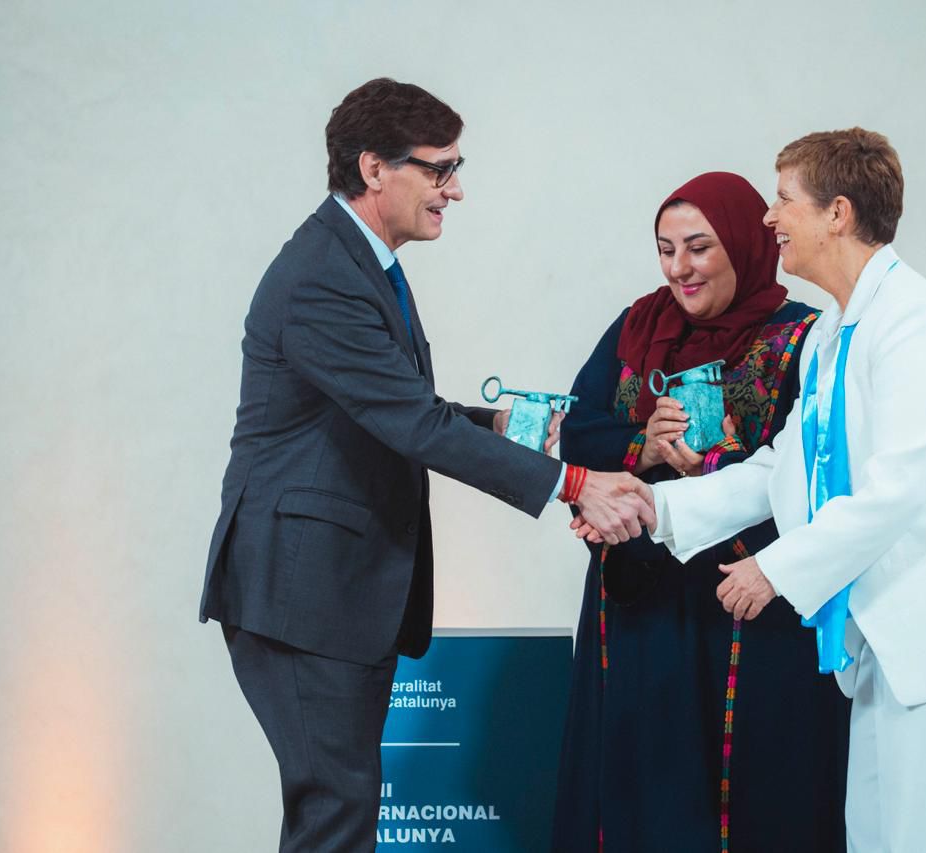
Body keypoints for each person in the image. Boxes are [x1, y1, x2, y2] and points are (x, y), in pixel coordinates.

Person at [198, 78, 653, 853]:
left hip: (330, 592)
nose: (455, 189)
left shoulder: (359, 260)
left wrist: (495, 423)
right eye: (439, 169)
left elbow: (390, 407)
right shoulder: (322, 275)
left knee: (338, 812)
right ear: (374, 168)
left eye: (455, 167)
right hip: (301, 593)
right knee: (336, 814)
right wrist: (574, 484)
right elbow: (411, 422)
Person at [576, 130, 926, 852]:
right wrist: (659, 507)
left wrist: (774, 569)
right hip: (881, 637)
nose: (769, 217)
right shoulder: (836, 328)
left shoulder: (916, 324)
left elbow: (896, 490)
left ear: (838, 213)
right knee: (872, 838)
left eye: (784, 199)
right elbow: (783, 466)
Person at [553, 172, 850, 852]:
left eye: (698, 247)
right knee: (638, 784)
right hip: (639, 602)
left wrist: (711, 464)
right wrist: (645, 445)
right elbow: (576, 430)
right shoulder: (638, 325)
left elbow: (807, 471)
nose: (679, 269)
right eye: (666, 250)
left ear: (743, 243)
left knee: (744, 795)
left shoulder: (801, 337)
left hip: (745, 605)